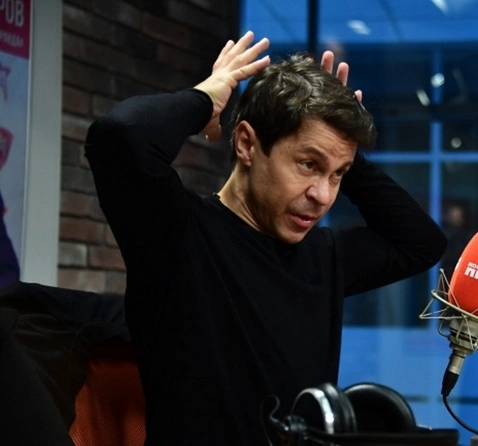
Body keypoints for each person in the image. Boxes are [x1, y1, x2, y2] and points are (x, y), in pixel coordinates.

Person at [84, 31, 447, 445]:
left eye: (337, 176)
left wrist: (335, 143)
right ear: (246, 144)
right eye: (308, 164)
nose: (323, 195)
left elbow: (421, 243)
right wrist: (207, 98)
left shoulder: (324, 256)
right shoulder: (178, 234)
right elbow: (120, 135)